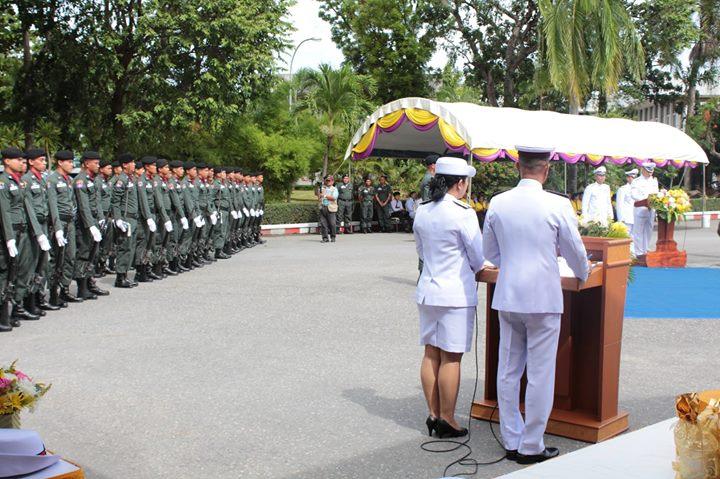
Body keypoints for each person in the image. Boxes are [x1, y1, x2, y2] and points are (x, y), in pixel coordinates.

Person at [482, 146, 589, 464]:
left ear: (519, 166)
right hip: (543, 298)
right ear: (547, 169)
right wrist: (583, 273)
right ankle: (531, 445)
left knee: (508, 371)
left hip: (509, 295)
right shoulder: (557, 204)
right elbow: (574, 250)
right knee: (541, 373)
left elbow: (490, 251)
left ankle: (511, 439)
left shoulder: (499, 202)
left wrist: (512, 265)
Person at [413, 156, 484, 439]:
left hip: (428, 290)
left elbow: (421, 252)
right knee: (451, 357)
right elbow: (477, 257)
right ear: (461, 183)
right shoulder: (463, 212)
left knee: (431, 352)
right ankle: (448, 418)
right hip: (455, 293)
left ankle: (433, 413)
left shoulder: (423, 209)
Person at [22, 149, 56, 315]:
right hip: (33, 228)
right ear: (31, 162)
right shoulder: (26, 180)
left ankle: (39, 298)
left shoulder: (43, 180)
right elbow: (28, 209)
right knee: (32, 264)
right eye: (41, 160)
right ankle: (29, 301)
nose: (44, 163)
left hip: (44, 224)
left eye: (44, 160)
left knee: (43, 264)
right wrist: (38, 232)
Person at [46, 150, 81, 307]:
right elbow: (53, 205)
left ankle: (65, 288)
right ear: (60, 162)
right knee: (57, 259)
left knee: (70, 257)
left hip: (70, 223)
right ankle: (53, 292)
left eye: (72, 162)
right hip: (59, 223)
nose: (72, 164)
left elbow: (72, 201)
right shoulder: (52, 180)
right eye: (69, 162)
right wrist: (57, 227)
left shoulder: (69, 180)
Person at [73, 151, 107, 299]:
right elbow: (83, 206)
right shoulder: (80, 180)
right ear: (87, 163)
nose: (98, 165)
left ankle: (89, 282)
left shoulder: (95, 179)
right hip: (84, 223)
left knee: (94, 253)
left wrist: (101, 218)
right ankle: (82, 288)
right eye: (96, 163)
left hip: (94, 219)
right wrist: (90, 225)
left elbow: (97, 201)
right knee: (84, 253)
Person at [111, 153, 139, 288]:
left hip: (133, 217)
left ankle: (125, 275)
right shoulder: (121, 180)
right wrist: (118, 219)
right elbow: (115, 202)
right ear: (124, 165)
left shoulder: (131, 179)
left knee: (130, 247)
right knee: (124, 247)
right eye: (132, 162)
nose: (134, 165)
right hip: (126, 217)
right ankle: (120, 277)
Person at [631, 161, 659, 258]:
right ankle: (639, 253)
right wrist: (646, 199)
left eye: (651, 171)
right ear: (642, 170)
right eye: (648, 171)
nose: (650, 173)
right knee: (638, 231)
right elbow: (634, 194)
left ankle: (646, 250)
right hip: (640, 209)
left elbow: (656, 194)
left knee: (649, 230)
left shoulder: (654, 181)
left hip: (651, 210)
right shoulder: (637, 181)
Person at [615, 169, 638, 253]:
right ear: (627, 178)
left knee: (635, 237)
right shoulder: (623, 189)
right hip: (626, 218)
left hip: (636, 217)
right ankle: (626, 253)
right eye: (631, 177)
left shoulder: (638, 189)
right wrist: (621, 219)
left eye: (634, 177)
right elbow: (619, 205)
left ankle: (634, 253)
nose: (633, 179)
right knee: (626, 236)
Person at [317, 174, 338, 243]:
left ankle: (333, 237)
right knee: (323, 224)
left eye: (330, 180)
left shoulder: (334, 189)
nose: (328, 182)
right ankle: (325, 238)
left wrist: (325, 195)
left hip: (331, 208)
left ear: (332, 181)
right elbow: (319, 197)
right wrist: (319, 190)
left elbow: (334, 197)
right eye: (327, 180)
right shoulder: (322, 188)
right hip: (323, 207)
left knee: (332, 224)